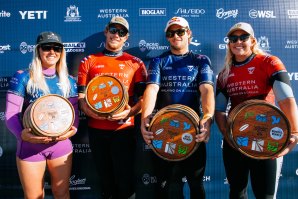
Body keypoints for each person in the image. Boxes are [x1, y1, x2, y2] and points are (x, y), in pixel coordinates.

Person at [215, 22, 298, 199]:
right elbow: (220, 110)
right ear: (229, 43)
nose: (238, 41)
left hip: (266, 136)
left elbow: (286, 99)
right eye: (233, 38)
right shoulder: (224, 74)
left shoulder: (269, 62)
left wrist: (295, 131)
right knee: (237, 192)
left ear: (253, 41)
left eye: (243, 37)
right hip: (236, 139)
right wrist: (227, 135)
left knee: (265, 195)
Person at [140, 16, 215, 199]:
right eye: (171, 33)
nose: (176, 36)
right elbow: (151, 89)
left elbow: (206, 90)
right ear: (167, 37)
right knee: (163, 185)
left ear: (189, 33)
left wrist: (208, 118)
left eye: (180, 31)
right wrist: (144, 119)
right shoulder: (158, 61)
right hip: (163, 130)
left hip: (193, 131)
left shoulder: (201, 60)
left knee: (196, 186)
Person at [77, 16, 147, 199]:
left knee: (125, 183)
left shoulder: (136, 63)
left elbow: (144, 100)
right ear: (106, 31)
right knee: (106, 183)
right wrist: (93, 113)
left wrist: (130, 112)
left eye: (121, 32)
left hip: (124, 131)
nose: (116, 35)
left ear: (126, 37)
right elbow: (82, 101)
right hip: (97, 132)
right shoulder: (88, 61)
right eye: (113, 30)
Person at [5, 31, 78, 199]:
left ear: (61, 52)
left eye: (57, 48)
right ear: (38, 50)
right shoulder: (23, 77)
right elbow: (11, 114)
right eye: (46, 47)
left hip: (61, 145)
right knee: (34, 196)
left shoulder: (69, 80)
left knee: (62, 193)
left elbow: (74, 115)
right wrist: (23, 136)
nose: (52, 52)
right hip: (31, 146)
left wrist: (71, 131)